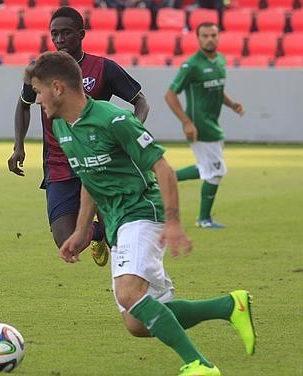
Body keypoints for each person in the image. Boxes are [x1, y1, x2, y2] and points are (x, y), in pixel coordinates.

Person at [28, 51, 255, 376]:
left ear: (58, 88)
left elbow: (163, 168)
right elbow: (90, 178)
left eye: (39, 90)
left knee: (129, 293)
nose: (36, 99)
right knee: (137, 321)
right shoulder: (63, 127)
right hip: (119, 222)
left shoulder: (114, 119)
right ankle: (231, 306)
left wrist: (174, 222)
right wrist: (81, 231)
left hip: (142, 210)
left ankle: (200, 365)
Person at [8, 6, 150, 266]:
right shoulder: (41, 70)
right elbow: (23, 104)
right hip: (59, 164)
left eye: (66, 33)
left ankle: (131, 279)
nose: (60, 39)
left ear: (81, 34)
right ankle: (95, 233)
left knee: (117, 238)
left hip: (100, 162)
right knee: (66, 241)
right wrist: (19, 146)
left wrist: (131, 132)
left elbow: (140, 101)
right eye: (55, 34)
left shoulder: (103, 68)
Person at [165, 22, 244, 229]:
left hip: (212, 125)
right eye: (205, 35)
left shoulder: (220, 60)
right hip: (199, 126)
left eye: (213, 35)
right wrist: (187, 122)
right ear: (198, 38)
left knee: (208, 169)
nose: (210, 39)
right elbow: (170, 94)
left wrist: (231, 104)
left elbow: (218, 89)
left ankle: (163, 178)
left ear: (218, 37)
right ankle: (204, 218)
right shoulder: (191, 65)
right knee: (216, 172)